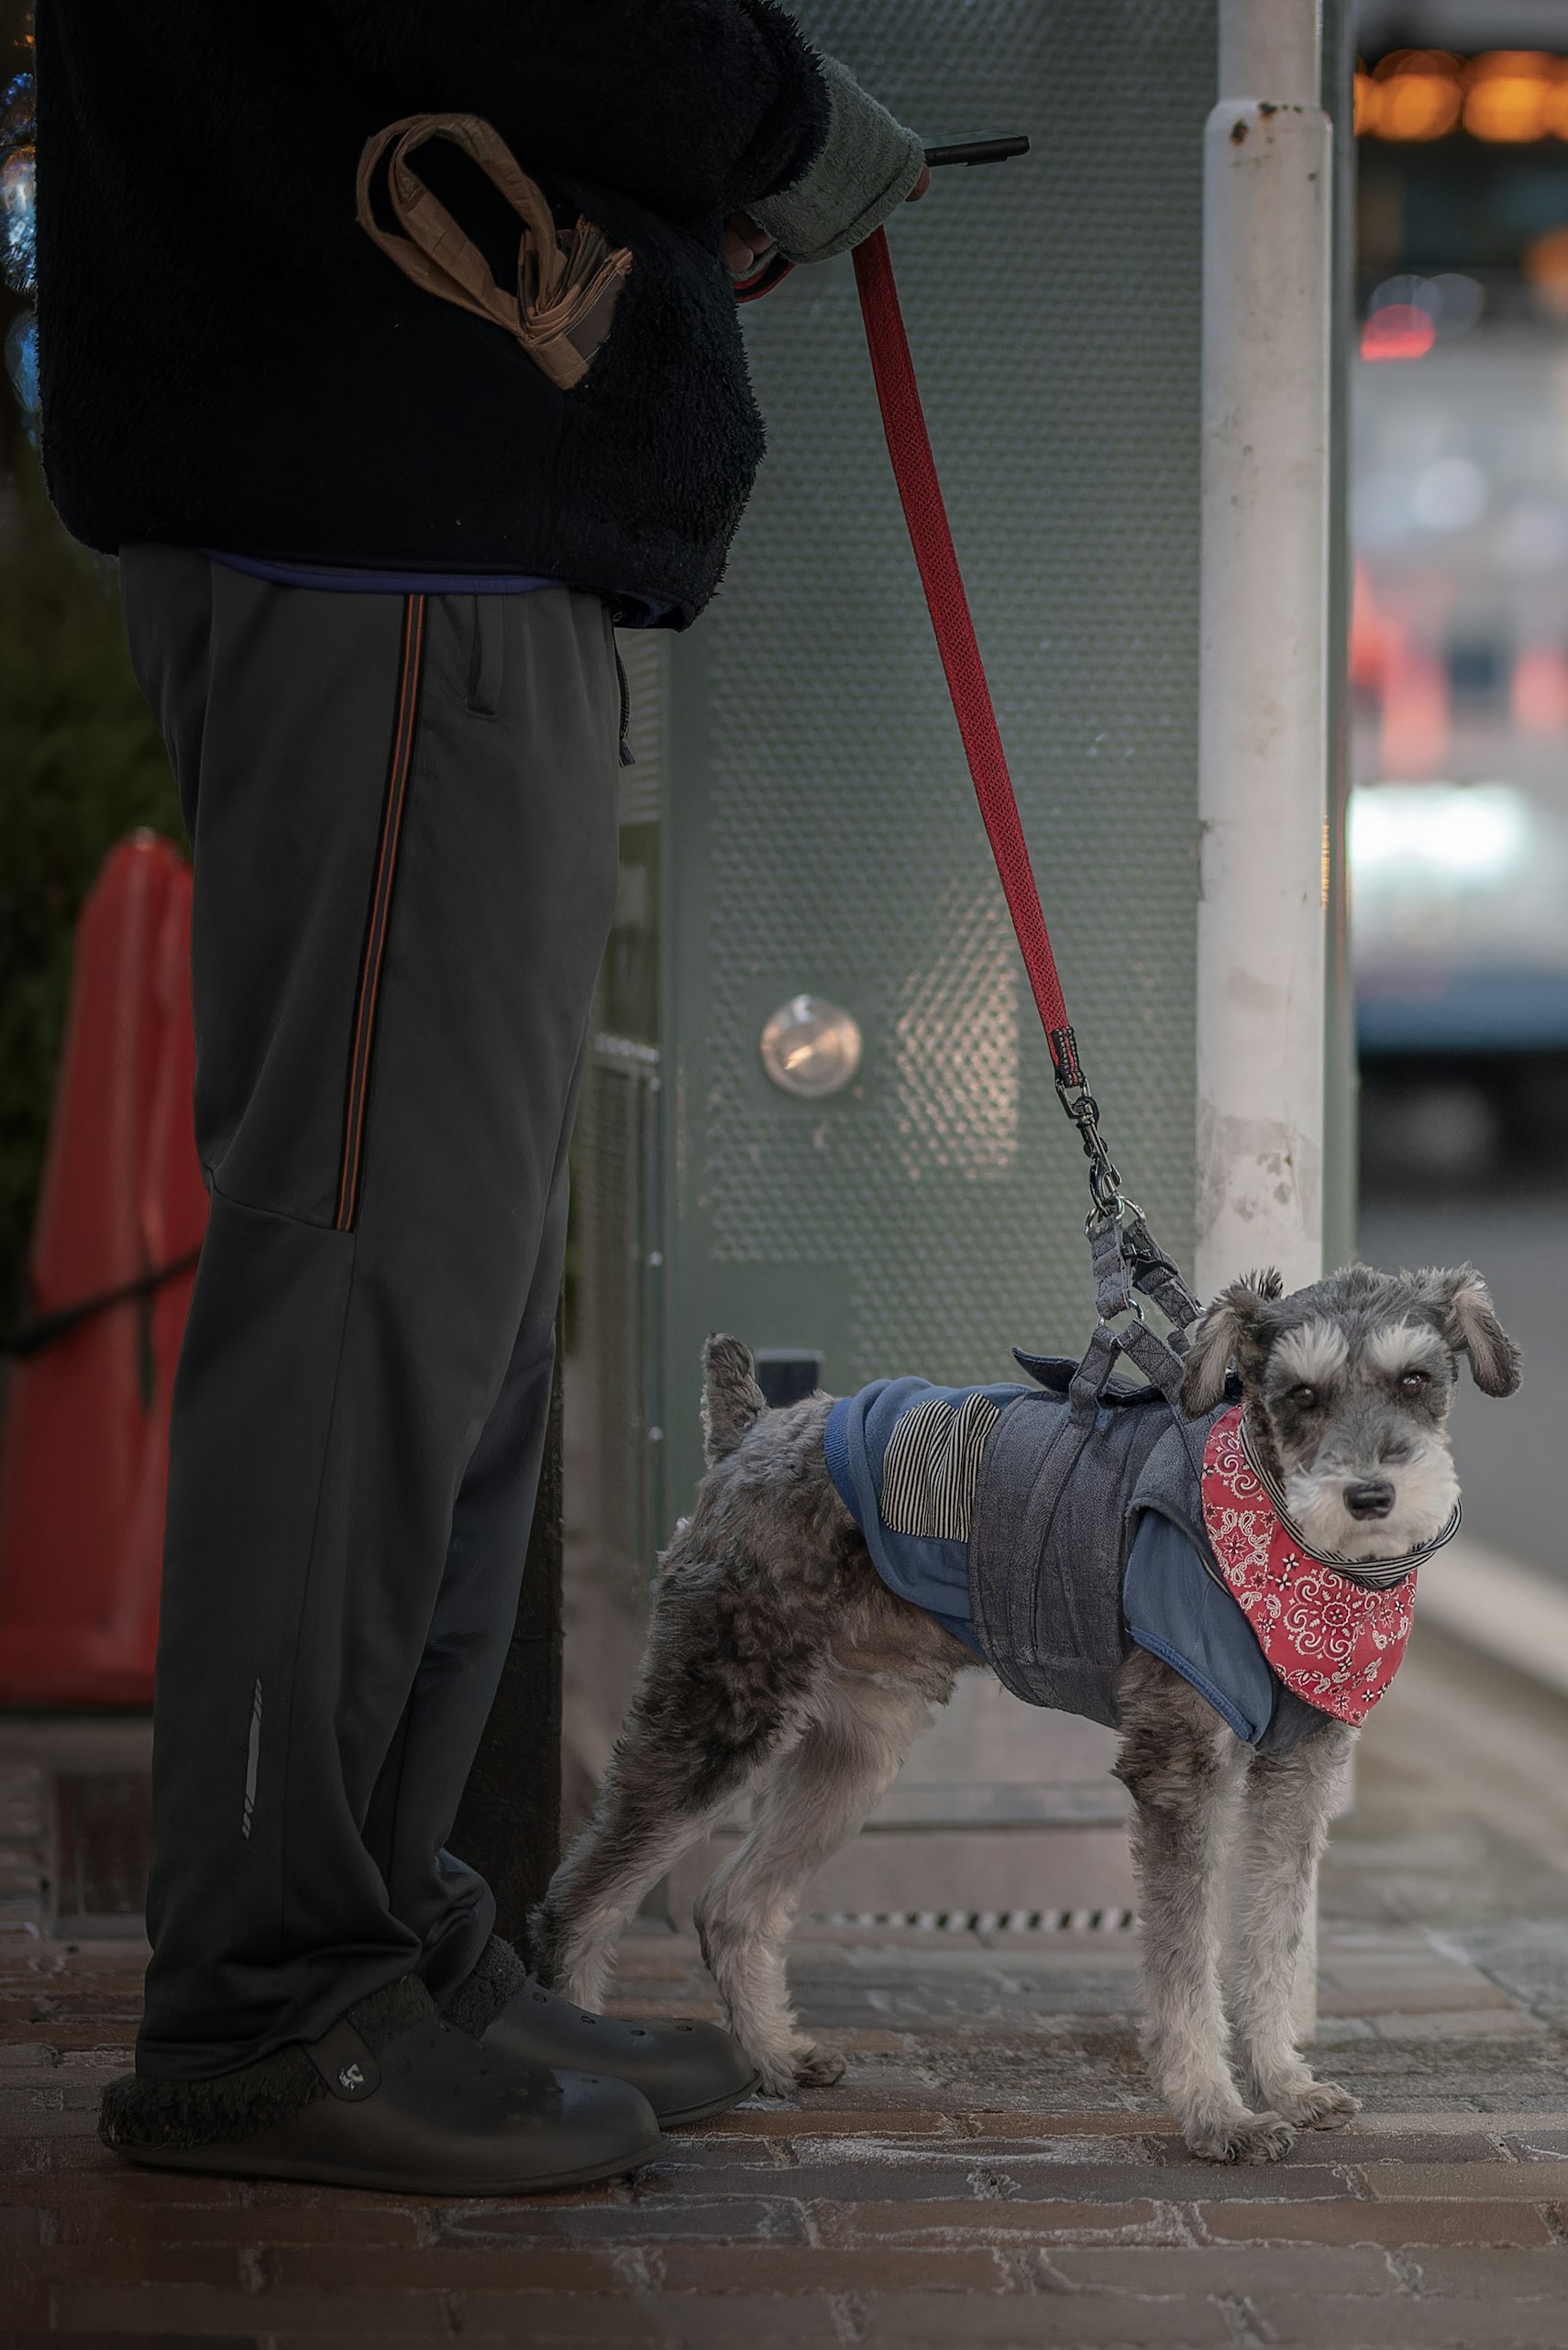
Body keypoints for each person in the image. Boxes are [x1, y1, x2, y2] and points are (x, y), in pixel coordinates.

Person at [33, 0, 930, 2193]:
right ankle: (269, 1991)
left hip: (393, 477)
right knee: (368, 1284)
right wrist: (774, 112)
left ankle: (373, 1933)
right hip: (383, 501)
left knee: (443, 1300)